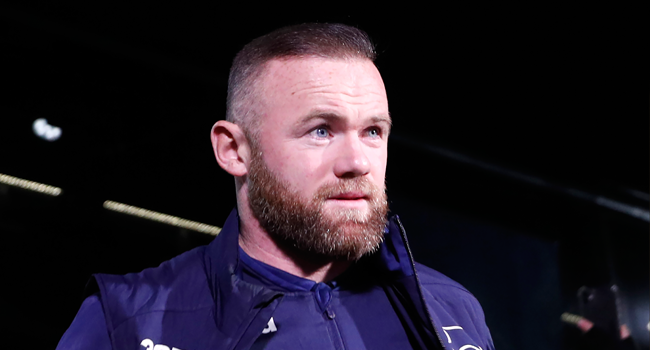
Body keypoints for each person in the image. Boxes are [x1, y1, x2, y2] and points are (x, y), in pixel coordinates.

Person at [57, 23, 494, 350]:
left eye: (373, 132)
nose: (358, 162)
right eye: (321, 130)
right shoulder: (128, 320)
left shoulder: (451, 309)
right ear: (233, 150)